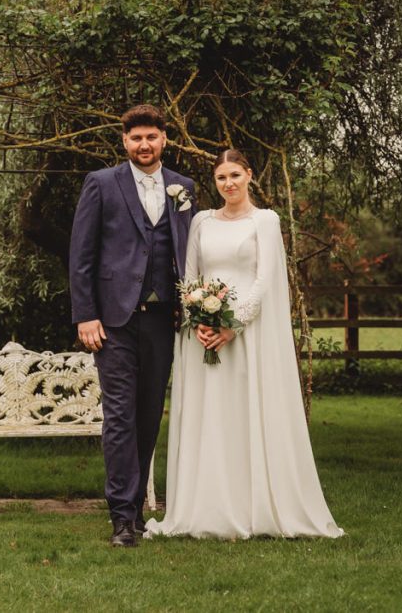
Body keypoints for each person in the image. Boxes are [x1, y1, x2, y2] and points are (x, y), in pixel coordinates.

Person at [146, 149, 343, 540]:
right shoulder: (201, 221)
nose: (229, 184)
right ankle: (209, 507)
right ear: (215, 182)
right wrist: (198, 320)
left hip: (246, 336)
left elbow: (265, 279)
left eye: (235, 175)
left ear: (249, 175)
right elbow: (188, 276)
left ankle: (255, 507)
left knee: (246, 415)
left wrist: (232, 326)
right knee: (212, 419)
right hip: (203, 337)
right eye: (221, 178)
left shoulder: (265, 221)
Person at [69, 104, 195, 547]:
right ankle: (122, 516)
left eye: (152, 137)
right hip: (114, 321)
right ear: (125, 142)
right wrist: (86, 314)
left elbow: (188, 251)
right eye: (136, 138)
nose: (144, 145)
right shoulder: (101, 184)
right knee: (120, 417)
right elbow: (81, 255)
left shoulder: (184, 188)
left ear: (165, 139)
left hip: (164, 320)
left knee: (147, 417)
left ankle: (138, 509)